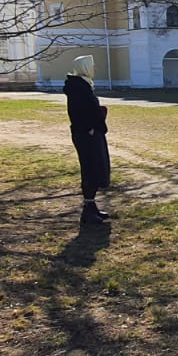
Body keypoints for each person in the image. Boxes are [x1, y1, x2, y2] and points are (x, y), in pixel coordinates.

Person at [64, 55, 110, 227]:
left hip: (91, 132)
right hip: (87, 135)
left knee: (96, 168)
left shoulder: (83, 85)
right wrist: (89, 127)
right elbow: (78, 112)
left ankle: (91, 207)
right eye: (92, 65)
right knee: (91, 169)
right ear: (85, 67)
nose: (95, 68)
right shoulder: (78, 88)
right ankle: (88, 211)